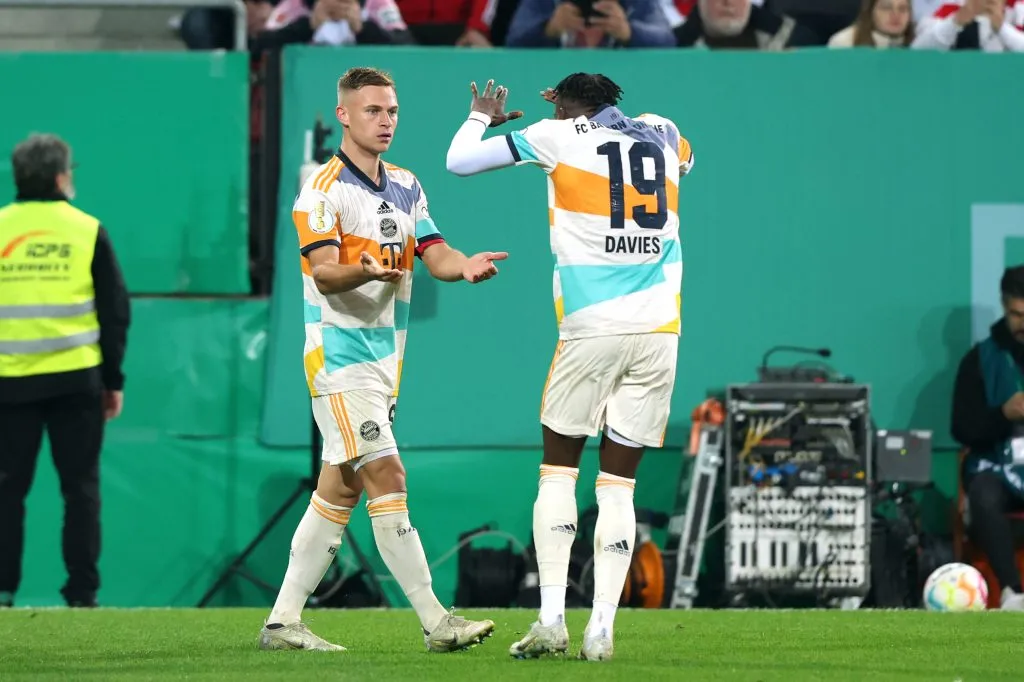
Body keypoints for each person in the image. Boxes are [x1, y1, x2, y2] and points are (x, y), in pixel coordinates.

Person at [445, 74, 693, 660]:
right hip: (660, 330)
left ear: (560, 104)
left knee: (558, 473)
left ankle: (552, 620)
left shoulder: (554, 135)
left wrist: (482, 116)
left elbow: (458, 162)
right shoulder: (662, 131)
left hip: (592, 328)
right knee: (619, 487)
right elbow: (685, 159)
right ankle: (601, 631)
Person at [258, 66, 506, 652]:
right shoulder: (321, 191)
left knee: (339, 492)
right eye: (372, 110)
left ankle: (282, 622)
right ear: (343, 115)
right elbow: (323, 272)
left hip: (383, 363)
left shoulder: (407, 185)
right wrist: (361, 270)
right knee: (388, 476)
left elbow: (435, 253)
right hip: (339, 360)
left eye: (392, 110)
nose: (385, 120)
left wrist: (465, 266)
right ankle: (436, 621)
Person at [0, 133, 131, 608]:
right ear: (60, 178)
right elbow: (114, 313)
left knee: (5, 492)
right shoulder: (87, 230)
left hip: (8, 386)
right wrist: (112, 381)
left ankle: (2, 591)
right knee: (80, 490)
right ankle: (82, 593)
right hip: (76, 382)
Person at [951, 265, 1024, 611]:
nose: (1023, 323)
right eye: (1016, 315)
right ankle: (1013, 592)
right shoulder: (978, 360)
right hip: (995, 466)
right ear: (1004, 306)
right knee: (983, 492)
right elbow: (961, 428)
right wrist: (1003, 414)